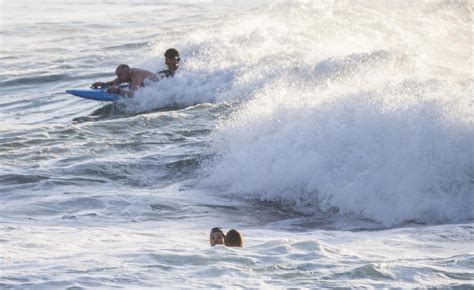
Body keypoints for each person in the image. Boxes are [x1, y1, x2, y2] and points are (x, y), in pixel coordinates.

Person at [91, 64, 157, 97]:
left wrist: (118, 91)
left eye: (119, 75)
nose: (118, 77)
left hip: (157, 82)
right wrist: (103, 84)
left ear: (127, 72)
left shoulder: (135, 76)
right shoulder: (125, 75)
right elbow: (114, 82)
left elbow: (133, 95)